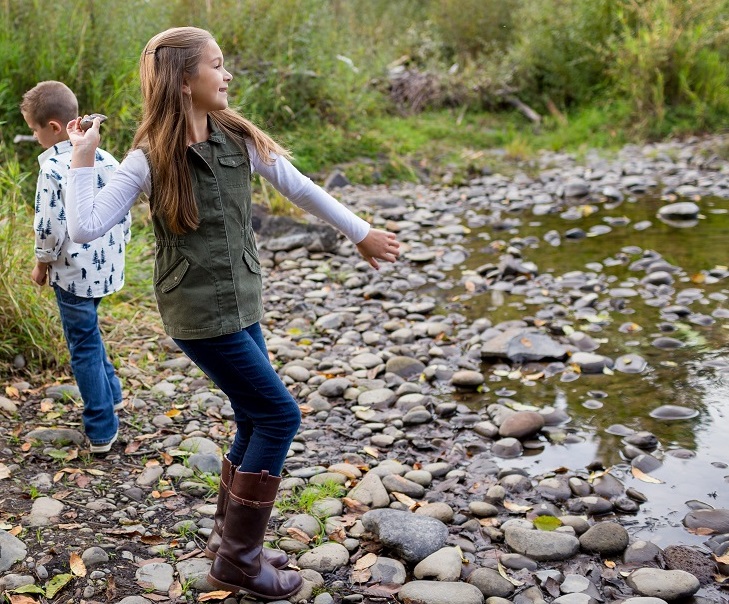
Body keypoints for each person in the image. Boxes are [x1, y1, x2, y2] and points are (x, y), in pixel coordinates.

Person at [64, 27, 400, 599]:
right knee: (279, 416)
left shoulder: (236, 136)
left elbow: (300, 188)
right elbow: (84, 226)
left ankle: (230, 544)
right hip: (196, 310)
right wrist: (82, 159)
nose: (226, 76)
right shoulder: (147, 160)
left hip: (242, 299)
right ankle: (239, 561)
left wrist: (361, 232)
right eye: (217, 66)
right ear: (184, 80)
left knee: (253, 415)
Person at [21, 81, 131, 454]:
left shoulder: (53, 167)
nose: (34, 137)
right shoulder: (109, 159)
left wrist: (41, 265)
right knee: (90, 332)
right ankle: (113, 394)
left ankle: (101, 429)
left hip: (71, 273)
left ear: (53, 127)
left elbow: (49, 227)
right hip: (105, 270)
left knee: (82, 345)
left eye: (34, 130)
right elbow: (123, 213)